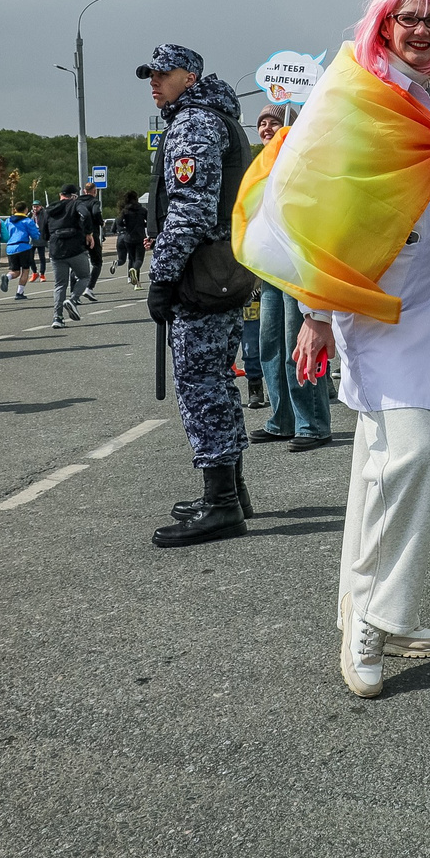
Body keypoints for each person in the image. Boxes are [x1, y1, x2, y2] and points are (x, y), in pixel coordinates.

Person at [241, 0, 430, 698]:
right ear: (382, 23)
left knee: (379, 459)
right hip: (367, 298)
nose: (421, 30)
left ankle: (377, 612)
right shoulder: (352, 90)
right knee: (410, 451)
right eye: (408, 18)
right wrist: (315, 311)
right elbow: (315, 201)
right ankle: (370, 624)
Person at [139, 43, 257, 548]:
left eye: (163, 73)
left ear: (190, 76)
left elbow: (190, 211)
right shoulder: (215, 117)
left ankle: (222, 505)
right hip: (225, 271)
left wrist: (162, 278)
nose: (153, 81)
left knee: (202, 387)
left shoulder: (192, 123)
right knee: (217, 384)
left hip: (202, 277)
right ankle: (231, 491)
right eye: (150, 74)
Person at [247, 104, 330, 451]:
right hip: (269, 270)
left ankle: (311, 424)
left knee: (299, 346)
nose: (266, 127)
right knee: (270, 346)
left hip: (297, 266)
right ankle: (280, 420)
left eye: (274, 121)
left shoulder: (302, 158)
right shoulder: (260, 164)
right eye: (261, 122)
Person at [44, 183, 95, 327]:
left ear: (60, 195)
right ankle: (72, 300)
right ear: (73, 195)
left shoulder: (49, 209)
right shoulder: (76, 204)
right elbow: (85, 215)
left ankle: (57, 318)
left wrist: (50, 239)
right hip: (75, 248)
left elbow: (43, 231)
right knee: (85, 276)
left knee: (60, 284)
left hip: (56, 249)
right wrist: (88, 233)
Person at [2, 206, 39, 300]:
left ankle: (8, 277)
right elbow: (35, 235)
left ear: (15, 210)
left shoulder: (8, 221)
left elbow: (4, 233)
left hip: (11, 247)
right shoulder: (27, 221)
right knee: (25, 270)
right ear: (26, 210)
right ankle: (19, 292)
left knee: (15, 271)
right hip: (24, 247)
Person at [114, 191, 147, 286]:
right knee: (139, 259)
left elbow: (119, 222)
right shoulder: (142, 210)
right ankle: (135, 273)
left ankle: (136, 280)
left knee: (132, 259)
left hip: (128, 238)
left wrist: (127, 225)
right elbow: (149, 221)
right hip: (140, 237)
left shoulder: (125, 211)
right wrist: (142, 224)